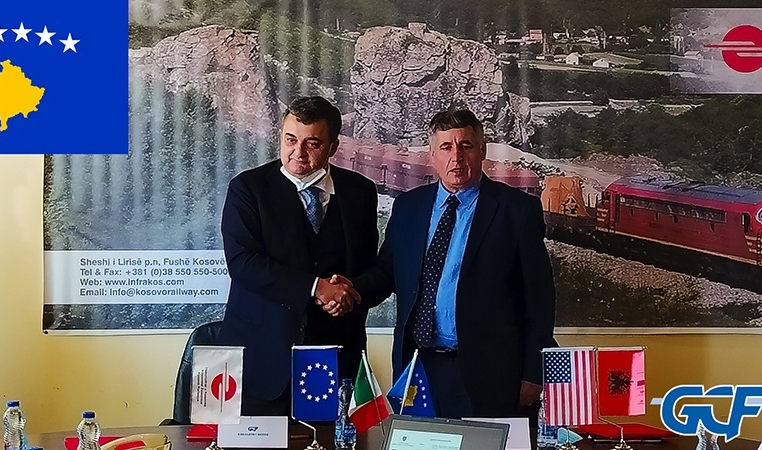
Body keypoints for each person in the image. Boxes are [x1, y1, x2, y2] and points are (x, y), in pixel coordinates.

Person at [349, 109, 556, 419]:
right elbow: (385, 273)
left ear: (482, 150)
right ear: (433, 154)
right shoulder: (408, 207)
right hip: (417, 367)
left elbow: (540, 299)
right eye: (446, 147)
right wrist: (347, 291)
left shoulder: (517, 210)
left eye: (466, 146)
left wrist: (534, 372)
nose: (456, 156)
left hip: (490, 375)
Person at [217, 96, 378, 416]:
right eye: (290, 139)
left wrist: (347, 294)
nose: (298, 152)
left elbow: (368, 267)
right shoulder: (248, 189)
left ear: (333, 147)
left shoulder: (360, 191)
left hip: (336, 360)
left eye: (312, 143)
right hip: (262, 361)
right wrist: (317, 287)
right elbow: (243, 263)